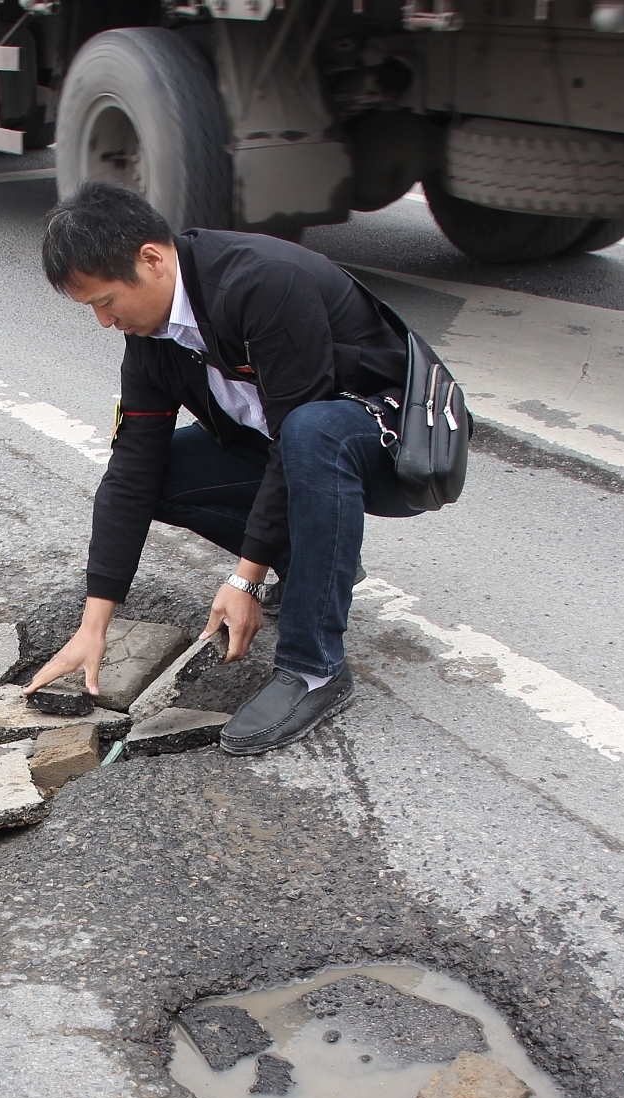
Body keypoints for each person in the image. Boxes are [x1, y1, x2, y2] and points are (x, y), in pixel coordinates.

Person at [25, 182, 425, 756]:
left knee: (311, 432)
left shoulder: (259, 284)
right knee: (160, 469)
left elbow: (295, 434)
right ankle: (312, 563)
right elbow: (133, 468)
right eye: (90, 307)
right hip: (289, 445)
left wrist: (245, 578)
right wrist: (94, 624)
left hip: (389, 440)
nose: (104, 322)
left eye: (106, 301)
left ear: (152, 260)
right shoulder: (153, 338)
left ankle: (315, 669)